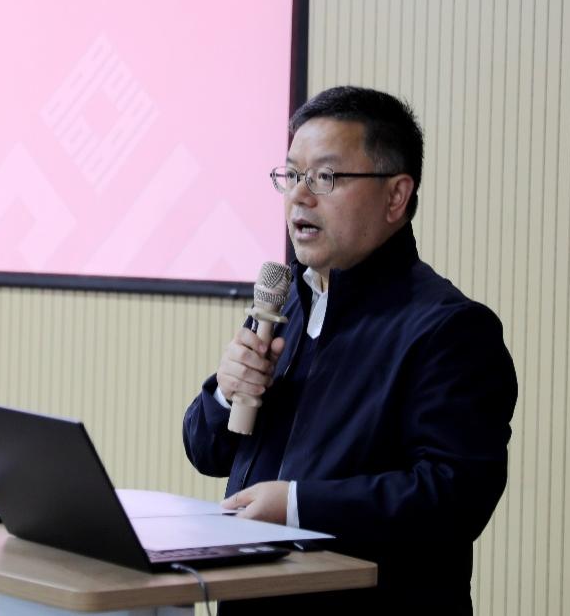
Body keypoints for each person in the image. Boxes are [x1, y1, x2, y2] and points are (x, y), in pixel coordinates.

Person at [182, 86, 517, 614]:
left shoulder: (449, 330)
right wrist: (225, 395)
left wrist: (298, 506)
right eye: (292, 175)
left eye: (326, 177)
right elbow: (208, 452)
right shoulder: (284, 303)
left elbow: (452, 496)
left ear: (396, 196)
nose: (300, 196)